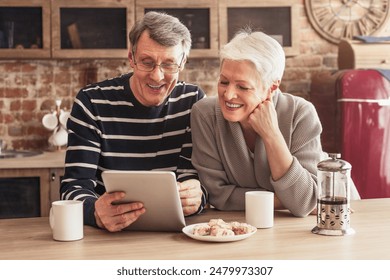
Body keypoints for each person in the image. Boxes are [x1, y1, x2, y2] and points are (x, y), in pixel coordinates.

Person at [60, 11, 207, 232]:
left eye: (169, 64)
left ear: (183, 62)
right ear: (131, 59)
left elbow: (196, 178)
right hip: (108, 235)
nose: (157, 76)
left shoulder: (193, 101)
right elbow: (73, 187)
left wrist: (198, 195)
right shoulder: (92, 101)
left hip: (177, 236)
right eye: (147, 62)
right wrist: (94, 212)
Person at [191, 29, 360, 217]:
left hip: (336, 213)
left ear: (271, 87)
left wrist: (271, 135)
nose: (229, 95)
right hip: (254, 221)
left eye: (242, 87)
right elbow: (217, 195)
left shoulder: (300, 113)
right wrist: (287, 201)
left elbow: (306, 200)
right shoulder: (205, 114)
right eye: (224, 81)